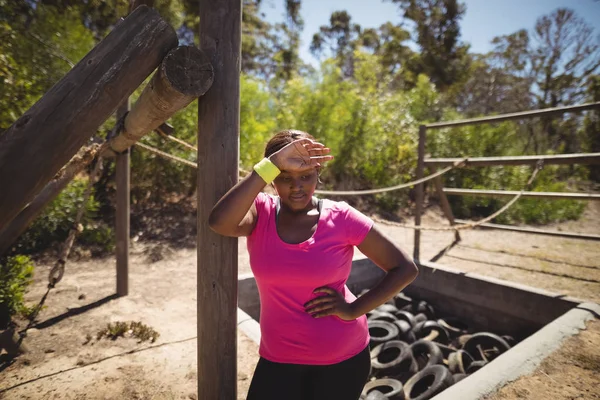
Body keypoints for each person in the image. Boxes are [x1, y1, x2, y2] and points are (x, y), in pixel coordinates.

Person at [209, 129, 418, 400]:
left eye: (306, 176)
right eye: (285, 178)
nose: (297, 187)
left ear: (318, 174)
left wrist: (353, 309)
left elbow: (404, 268)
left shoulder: (341, 217)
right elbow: (219, 222)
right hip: (278, 358)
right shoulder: (260, 212)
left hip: (342, 360)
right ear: (272, 179)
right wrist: (270, 165)